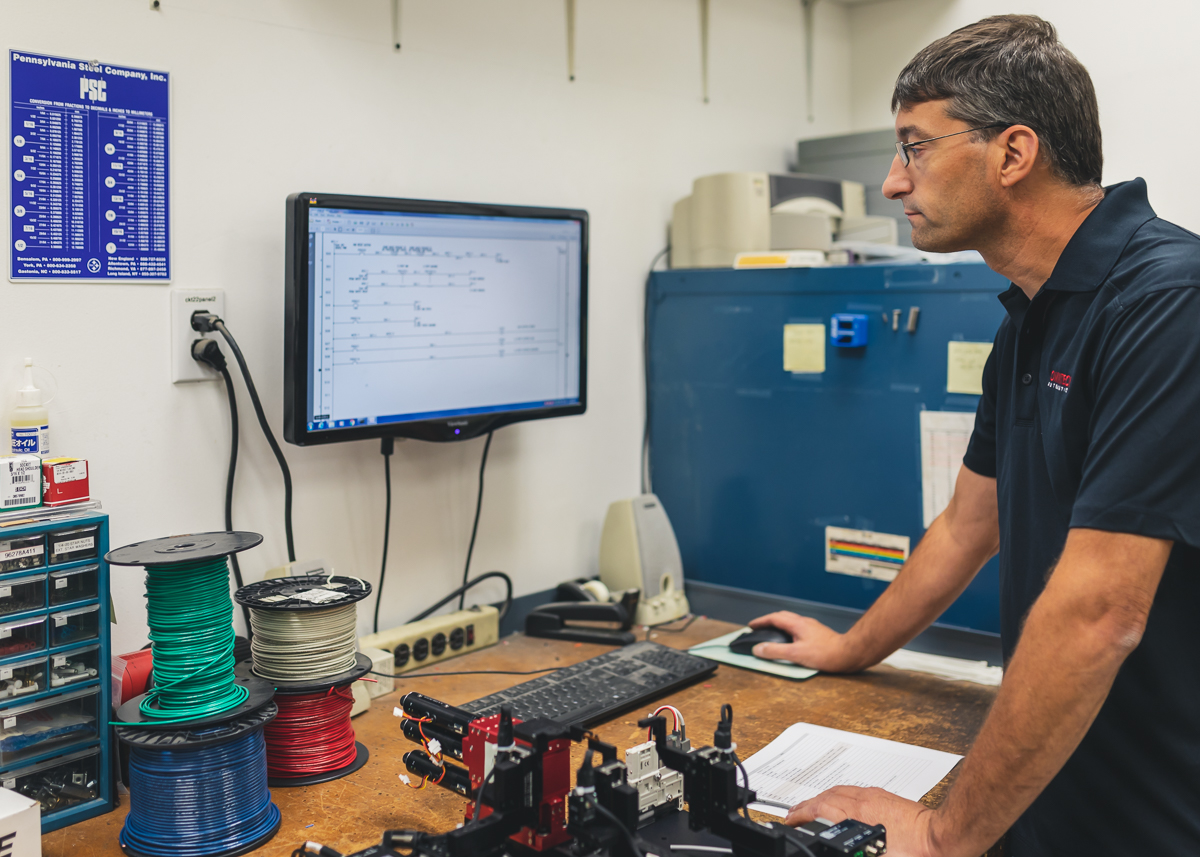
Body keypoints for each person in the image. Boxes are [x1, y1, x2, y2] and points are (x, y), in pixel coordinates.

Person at [748, 15, 1200, 857]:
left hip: (1156, 816)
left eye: (914, 147)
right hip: (1053, 788)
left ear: (1013, 153)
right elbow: (968, 524)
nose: (891, 183)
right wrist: (851, 646)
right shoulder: (1028, 320)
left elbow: (1103, 611)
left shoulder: (1168, 300)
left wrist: (942, 834)